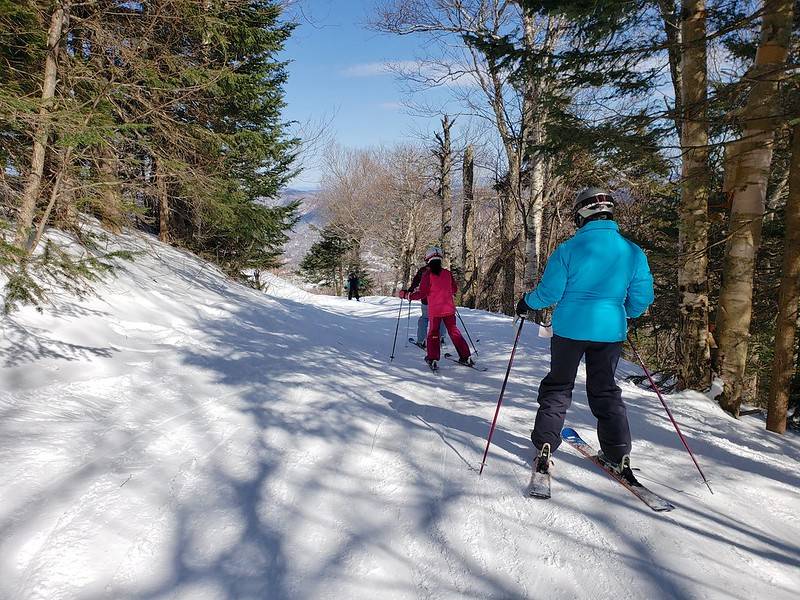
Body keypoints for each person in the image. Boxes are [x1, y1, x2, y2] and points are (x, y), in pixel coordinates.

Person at [516, 187, 654, 479]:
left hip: (569, 330)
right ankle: (618, 452)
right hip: (610, 331)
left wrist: (526, 302)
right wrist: (621, 311)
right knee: (605, 391)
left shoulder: (568, 250)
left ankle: (545, 444)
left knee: (559, 386)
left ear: (581, 215)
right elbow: (641, 298)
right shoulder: (632, 251)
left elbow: (550, 292)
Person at [399, 247, 472, 370]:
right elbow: (454, 289)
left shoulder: (427, 275)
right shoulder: (447, 274)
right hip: (449, 309)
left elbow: (422, 293)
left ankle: (432, 358)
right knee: (454, 332)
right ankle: (465, 356)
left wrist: (407, 295)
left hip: (435, 311)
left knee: (433, 333)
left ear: (428, 259)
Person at [408, 261, 445, 347]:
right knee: (441, 318)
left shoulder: (423, 270)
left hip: (426, 300)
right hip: (439, 301)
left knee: (424, 318)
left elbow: (416, 281)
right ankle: (441, 337)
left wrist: (410, 291)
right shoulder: (443, 271)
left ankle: (421, 340)